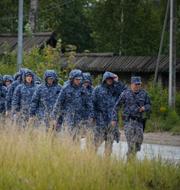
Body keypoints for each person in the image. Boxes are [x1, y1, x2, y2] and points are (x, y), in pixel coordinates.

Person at [111, 76, 151, 158]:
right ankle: (130, 160)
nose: (137, 86)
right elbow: (116, 107)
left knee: (139, 142)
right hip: (128, 122)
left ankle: (131, 155)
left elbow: (149, 105)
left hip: (139, 122)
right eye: (136, 84)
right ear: (131, 84)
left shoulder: (144, 94)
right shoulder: (125, 94)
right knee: (131, 143)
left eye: (139, 84)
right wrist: (114, 119)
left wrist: (144, 108)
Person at [52, 69, 93, 140]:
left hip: (79, 117)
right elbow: (58, 103)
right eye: (76, 79)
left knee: (77, 138)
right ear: (72, 79)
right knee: (68, 137)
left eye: (80, 79)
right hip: (68, 117)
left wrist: (91, 116)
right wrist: (54, 117)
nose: (78, 81)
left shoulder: (83, 89)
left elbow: (89, 104)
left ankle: (74, 150)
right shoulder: (66, 89)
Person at [92, 71, 123, 156]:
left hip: (112, 120)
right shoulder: (97, 89)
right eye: (108, 79)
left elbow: (125, 92)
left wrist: (117, 81)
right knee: (96, 142)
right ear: (104, 79)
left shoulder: (116, 89)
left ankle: (107, 162)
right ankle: (90, 159)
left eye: (111, 79)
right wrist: (93, 116)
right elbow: (92, 103)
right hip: (100, 119)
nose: (110, 80)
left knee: (109, 143)